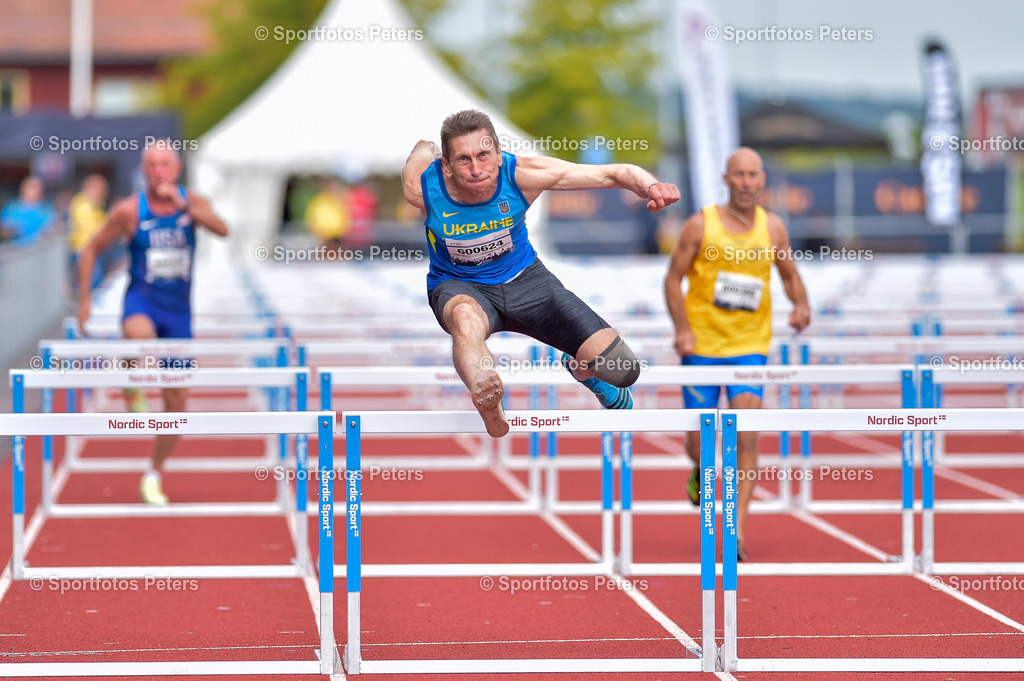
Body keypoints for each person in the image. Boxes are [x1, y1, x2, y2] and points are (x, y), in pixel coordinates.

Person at [402, 109, 680, 437]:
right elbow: (419, 155)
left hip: (526, 280)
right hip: (461, 285)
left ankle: (581, 369)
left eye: (483, 156)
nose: (476, 170)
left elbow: (612, 174)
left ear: (499, 153)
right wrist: (425, 148)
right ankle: (485, 388)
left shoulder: (523, 174)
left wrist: (650, 186)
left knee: (623, 369)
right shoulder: (424, 188)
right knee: (464, 317)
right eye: (464, 160)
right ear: (447, 165)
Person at [664, 147, 810, 561]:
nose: (746, 182)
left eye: (752, 174)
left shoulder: (773, 227)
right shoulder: (700, 225)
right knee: (700, 443)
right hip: (703, 347)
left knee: (746, 437)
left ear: (762, 180)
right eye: (739, 174)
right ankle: (699, 469)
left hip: (749, 349)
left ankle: (735, 534)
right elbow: (673, 279)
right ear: (726, 179)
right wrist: (682, 329)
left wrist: (801, 304)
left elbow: (790, 275)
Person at [76, 141, 229, 504]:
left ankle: (154, 473)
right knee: (138, 334)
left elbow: (223, 230)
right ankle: (131, 383)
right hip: (142, 301)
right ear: (144, 171)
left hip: (178, 311)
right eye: (152, 165)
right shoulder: (130, 210)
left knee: (177, 401)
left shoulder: (192, 202)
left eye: (165, 164)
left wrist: (185, 207)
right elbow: (91, 248)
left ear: (176, 169)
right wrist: (84, 300)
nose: (159, 171)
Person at [68, 174, 110, 291]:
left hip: (91, 248)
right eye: (102, 191)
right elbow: (89, 226)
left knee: (94, 281)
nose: (103, 194)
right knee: (90, 282)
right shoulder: (83, 203)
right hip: (84, 248)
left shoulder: (91, 204)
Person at [1, 176, 57, 246]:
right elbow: (3, 229)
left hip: (40, 249)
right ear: (23, 188)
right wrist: (11, 230)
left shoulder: (47, 208)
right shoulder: (12, 206)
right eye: (31, 186)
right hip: (15, 248)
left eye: (37, 187)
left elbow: (54, 229)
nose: (34, 189)